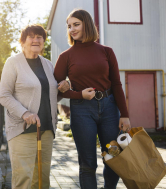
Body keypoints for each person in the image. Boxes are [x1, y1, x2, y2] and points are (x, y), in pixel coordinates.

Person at [54, 9, 131, 189]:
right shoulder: (65, 57)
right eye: (69, 26)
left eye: (76, 24)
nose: (71, 29)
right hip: (82, 111)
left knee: (113, 159)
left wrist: (124, 114)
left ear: (86, 24)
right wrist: (77, 94)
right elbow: (56, 89)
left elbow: (117, 85)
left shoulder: (107, 52)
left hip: (110, 109)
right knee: (88, 164)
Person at [0, 24, 69, 189]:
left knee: (42, 180)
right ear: (23, 41)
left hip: (46, 130)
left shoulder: (48, 65)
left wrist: (63, 88)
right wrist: (24, 113)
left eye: (40, 37)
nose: (36, 40)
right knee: (24, 179)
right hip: (22, 130)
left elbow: (49, 96)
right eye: (31, 36)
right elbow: (4, 95)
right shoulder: (13, 62)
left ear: (44, 42)